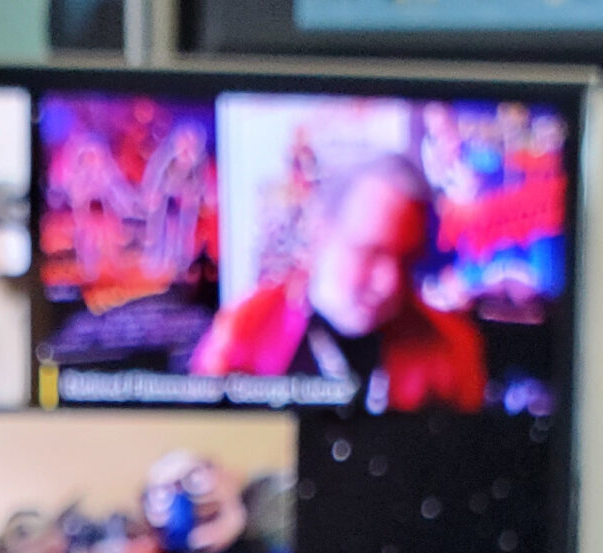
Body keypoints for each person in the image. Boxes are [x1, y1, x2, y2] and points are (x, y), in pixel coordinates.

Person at [187, 154, 486, 414]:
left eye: (406, 260)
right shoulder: (245, 329)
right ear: (320, 234)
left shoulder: (454, 346)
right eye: (371, 253)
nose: (391, 284)